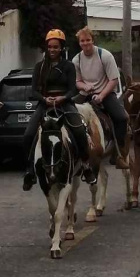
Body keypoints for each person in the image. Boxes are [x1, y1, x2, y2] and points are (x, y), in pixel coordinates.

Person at [22, 30, 94, 191]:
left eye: (55, 47)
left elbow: (73, 89)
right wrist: (44, 99)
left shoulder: (69, 66)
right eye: (50, 47)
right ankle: (29, 170)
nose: (52, 50)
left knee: (79, 130)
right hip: (45, 104)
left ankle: (85, 165)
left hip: (65, 104)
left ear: (61, 48)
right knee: (28, 134)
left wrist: (63, 97)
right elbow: (34, 91)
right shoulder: (39, 67)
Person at [72, 27, 127, 166]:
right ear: (79, 42)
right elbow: (77, 81)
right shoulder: (76, 60)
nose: (85, 43)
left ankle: (119, 153)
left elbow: (113, 79)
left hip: (105, 93)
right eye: (82, 41)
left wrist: (101, 95)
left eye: (88, 40)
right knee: (68, 113)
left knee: (121, 118)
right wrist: (85, 87)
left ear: (93, 40)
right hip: (85, 94)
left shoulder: (105, 56)